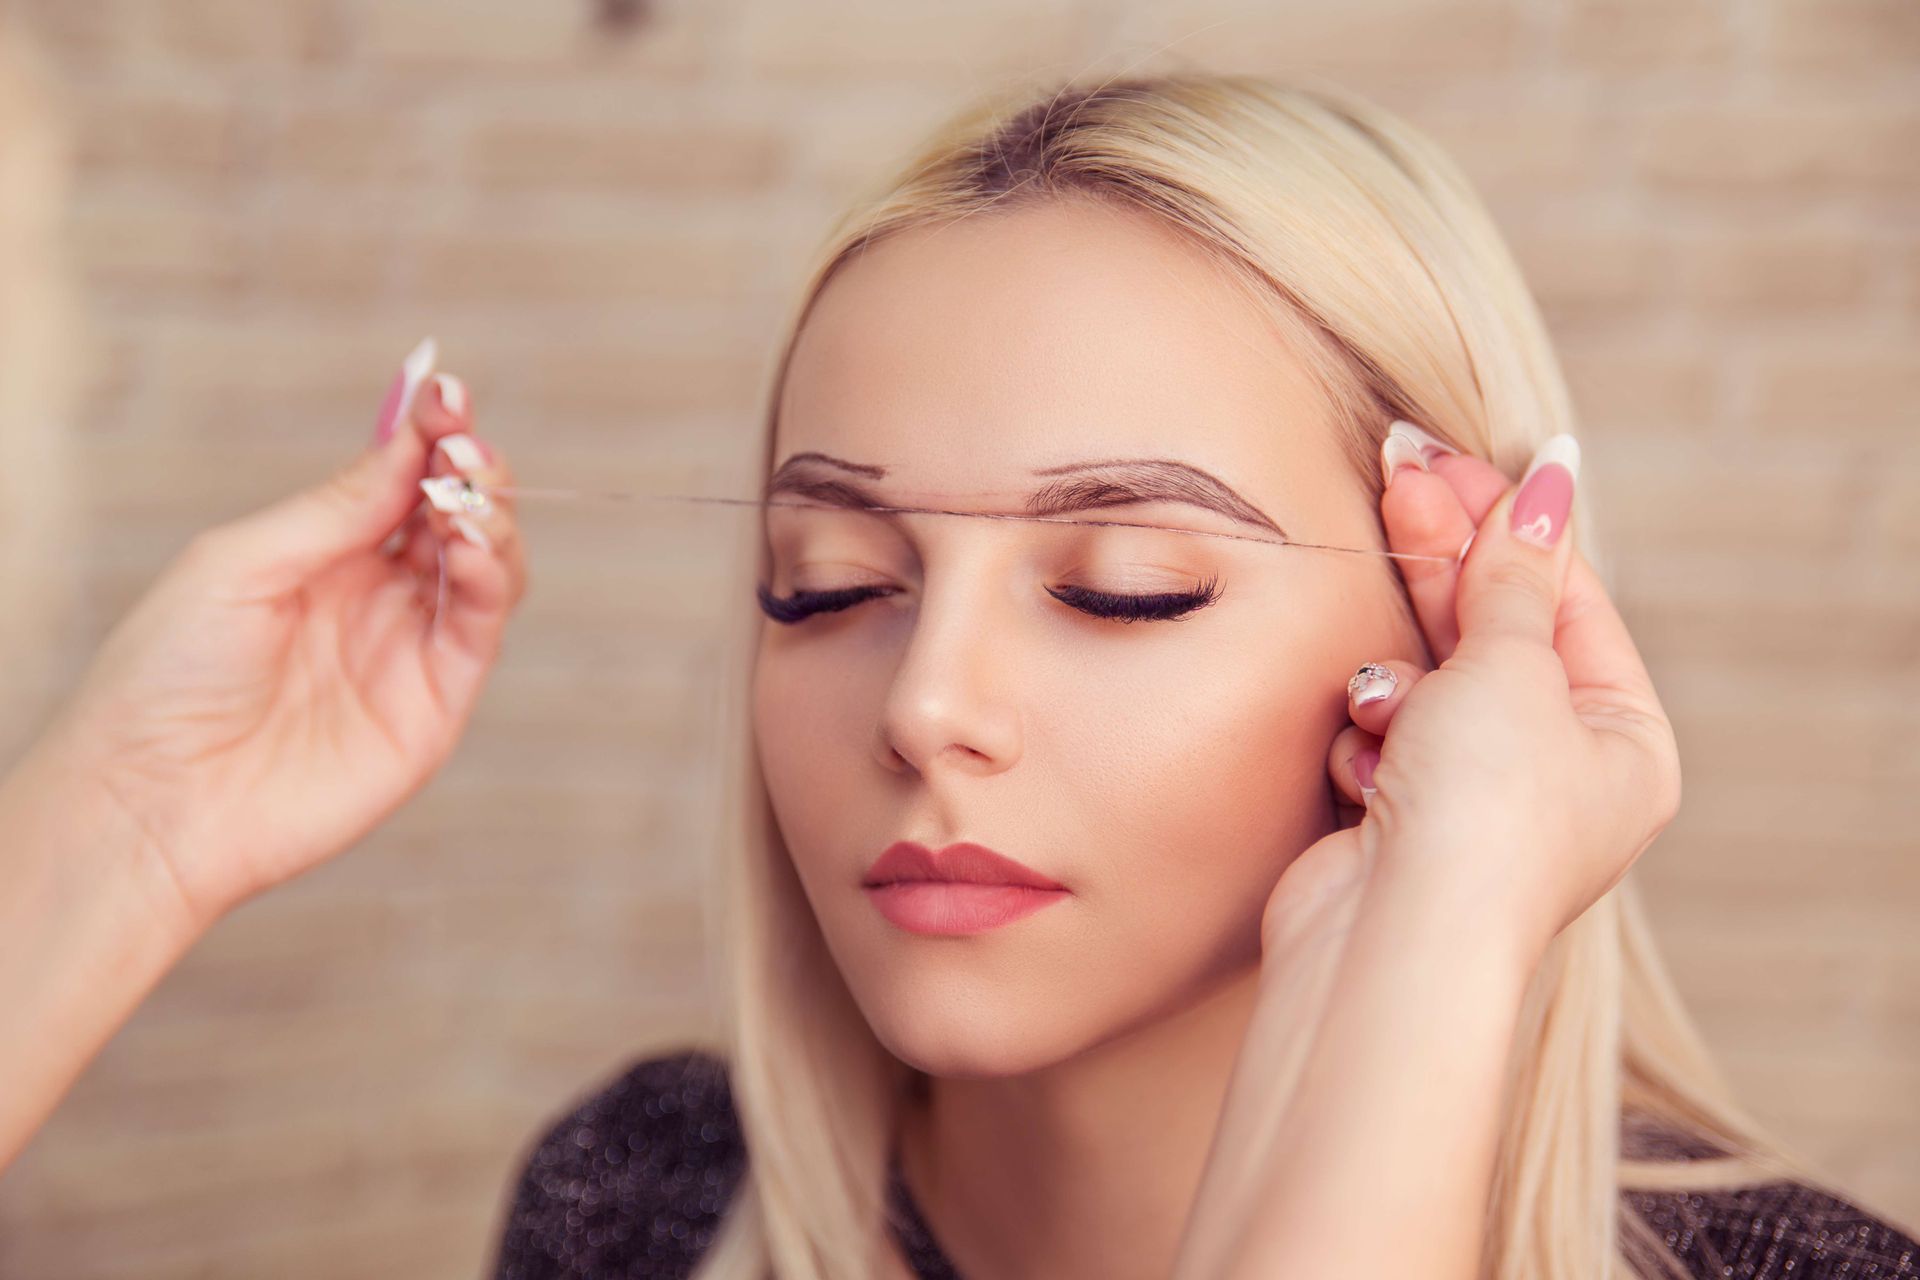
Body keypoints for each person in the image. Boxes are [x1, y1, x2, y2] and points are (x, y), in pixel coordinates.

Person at [3, 72, 1915, 1279]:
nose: (925, 706)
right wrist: (127, 829)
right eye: (830, 587)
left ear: (1446, 631)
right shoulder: (646, 1208)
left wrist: (1446, 919)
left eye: (1127, 588)